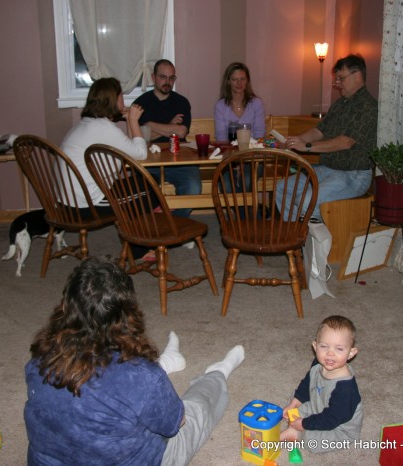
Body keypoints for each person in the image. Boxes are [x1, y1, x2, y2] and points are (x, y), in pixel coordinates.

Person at [24, 257, 245, 466]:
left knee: (130, 392)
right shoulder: (140, 375)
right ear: (126, 314)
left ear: (66, 306)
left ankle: (167, 362)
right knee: (197, 408)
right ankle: (217, 373)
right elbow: (176, 424)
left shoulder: (39, 360)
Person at [60, 77, 152, 260]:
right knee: (151, 190)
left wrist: (127, 120)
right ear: (113, 100)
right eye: (121, 96)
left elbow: (127, 150)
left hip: (65, 203)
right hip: (86, 205)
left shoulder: (86, 124)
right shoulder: (105, 129)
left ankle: (135, 237)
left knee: (136, 187)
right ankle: (139, 248)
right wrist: (133, 121)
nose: (124, 101)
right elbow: (141, 154)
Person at [276, 54, 377, 221]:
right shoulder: (340, 104)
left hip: (353, 175)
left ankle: (308, 235)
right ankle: (295, 237)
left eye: (341, 79)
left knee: (308, 201)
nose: (337, 84)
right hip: (328, 169)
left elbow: (346, 142)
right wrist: (293, 141)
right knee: (282, 189)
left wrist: (307, 146)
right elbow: (319, 131)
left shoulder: (369, 107)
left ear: (357, 76)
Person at [280, 315, 363, 454]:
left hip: (339, 427)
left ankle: (295, 434)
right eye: (324, 346)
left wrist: (302, 424)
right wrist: (293, 404)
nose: (330, 354)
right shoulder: (319, 364)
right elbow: (307, 384)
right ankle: (297, 423)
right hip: (317, 406)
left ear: (351, 353)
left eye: (339, 349)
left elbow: (331, 419)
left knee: (316, 442)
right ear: (315, 346)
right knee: (293, 407)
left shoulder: (346, 388)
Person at [134, 59, 201, 219]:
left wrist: (150, 125)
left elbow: (182, 132)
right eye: (163, 77)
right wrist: (169, 126)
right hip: (150, 161)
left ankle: (177, 224)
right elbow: (140, 137)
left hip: (179, 159)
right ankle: (162, 224)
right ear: (153, 77)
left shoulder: (182, 102)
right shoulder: (140, 103)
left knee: (193, 186)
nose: (167, 82)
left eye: (171, 78)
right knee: (141, 187)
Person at [214, 62, 266, 142]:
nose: (239, 83)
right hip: (230, 152)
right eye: (235, 79)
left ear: (247, 81)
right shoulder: (220, 106)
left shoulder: (256, 103)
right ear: (228, 81)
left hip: (252, 150)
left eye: (242, 79)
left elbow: (259, 133)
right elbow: (221, 135)